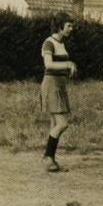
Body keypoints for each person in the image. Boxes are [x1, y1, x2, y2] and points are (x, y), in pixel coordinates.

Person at [40, 12, 77, 172]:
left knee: (55, 124)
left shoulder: (61, 43)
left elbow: (60, 65)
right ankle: (48, 157)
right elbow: (49, 64)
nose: (71, 29)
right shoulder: (49, 43)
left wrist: (69, 69)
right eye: (68, 26)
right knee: (62, 124)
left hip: (60, 86)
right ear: (60, 26)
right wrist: (68, 64)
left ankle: (50, 160)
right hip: (51, 85)